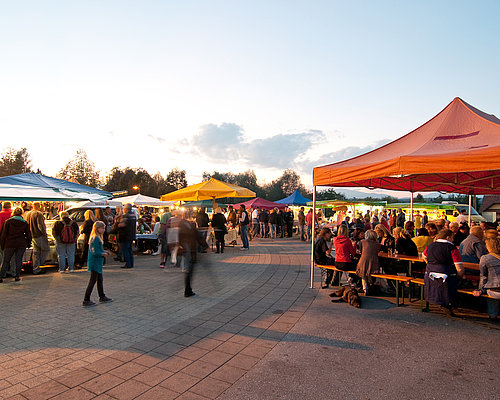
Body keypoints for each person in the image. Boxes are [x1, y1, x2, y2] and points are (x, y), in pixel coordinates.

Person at [423, 229, 464, 316]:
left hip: (431, 274)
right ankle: (452, 303)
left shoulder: (430, 246)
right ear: (448, 237)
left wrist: (431, 264)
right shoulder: (452, 248)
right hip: (447, 275)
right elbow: (459, 267)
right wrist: (461, 275)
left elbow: (424, 256)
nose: (453, 240)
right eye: (452, 238)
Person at [83, 221, 112, 306]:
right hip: (95, 262)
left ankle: (102, 296)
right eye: (102, 228)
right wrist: (103, 253)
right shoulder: (95, 238)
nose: (103, 230)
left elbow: (98, 249)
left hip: (97, 262)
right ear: (97, 229)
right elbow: (94, 252)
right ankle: (86, 299)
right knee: (93, 281)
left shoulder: (98, 237)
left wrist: (105, 251)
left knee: (99, 280)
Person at [178, 216, 208, 297]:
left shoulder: (182, 224)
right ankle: (188, 290)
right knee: (189, 270)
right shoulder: (189, 225)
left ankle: (188, 289)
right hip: (190, 250)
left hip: (188, 249)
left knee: (188, 270)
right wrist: (205, 246)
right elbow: (197, 235)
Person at [0, 207, 31, 282]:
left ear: (13, 213)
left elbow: (3, 234)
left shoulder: (8, 222)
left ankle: (1, 277)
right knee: (18, 260)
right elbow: (28, 235)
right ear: (21, 213)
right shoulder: (24, 222)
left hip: (9, 243)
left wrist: (2, 244)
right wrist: (28, 244)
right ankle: (17, 276)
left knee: (6, 260)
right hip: (21, 243)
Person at [473, 237, 500, 319]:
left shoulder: (485, 258)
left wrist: (481, 289)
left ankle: (492, 314)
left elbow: (483, 276)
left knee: (491, 293)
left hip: (494, 289)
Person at [25, 201, 49, 274]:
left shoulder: (28, 214)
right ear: (39, 206)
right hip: (39, 235)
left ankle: (36, 268)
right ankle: (40, 263)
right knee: (46, 249)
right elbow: (40, 226)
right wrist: (44, 234)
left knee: (36, 252)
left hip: (32, 236)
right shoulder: (39, 214)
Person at [356, 230, 381, 295]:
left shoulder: (362, 242)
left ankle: (365, 288)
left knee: (363, 274)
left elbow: (361, 251)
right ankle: (370, 284)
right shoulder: (377, 244)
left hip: (363, 261)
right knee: (369, 272)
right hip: (374, 262)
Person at [119, 204, 137, 268]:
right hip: (132, 235)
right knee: (130, 250)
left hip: (126, 235)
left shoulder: (126, 216)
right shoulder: (134, 215)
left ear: (126, 209)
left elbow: (121, 225)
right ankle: (131, 263)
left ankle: (128, 264)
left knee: (126, 249)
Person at [0, 202, 14, 276]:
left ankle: (3, 273)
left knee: (3, 256)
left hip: (2, 237)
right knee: (13, 256)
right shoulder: (13, 214)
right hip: (13, 237)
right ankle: (13, 272)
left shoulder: (0, 214)